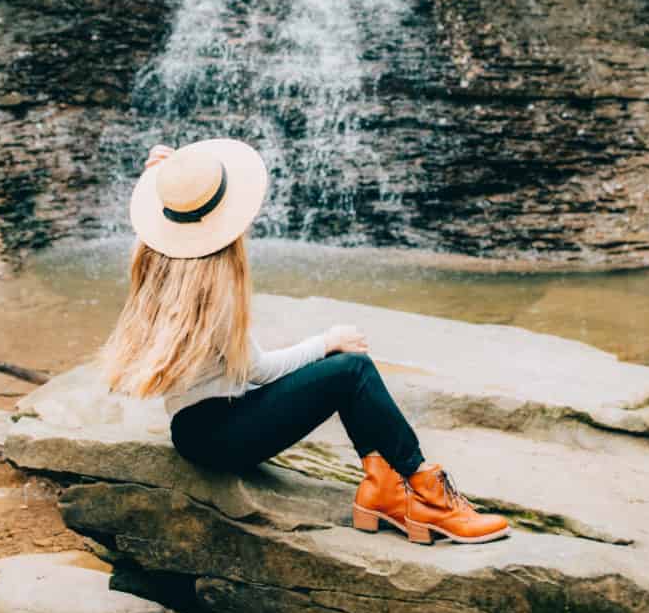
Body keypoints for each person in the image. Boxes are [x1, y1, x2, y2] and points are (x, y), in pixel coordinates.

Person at [103, 136, 509, 545]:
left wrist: (162, 182)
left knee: (346, 373)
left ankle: (384, 490)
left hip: (193, 431)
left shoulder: (155, 261)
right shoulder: (217, 287)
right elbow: (258, 370)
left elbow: (156, 228)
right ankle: (429, 494)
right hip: (224, 434)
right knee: (352, 370)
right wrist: (327, 342)